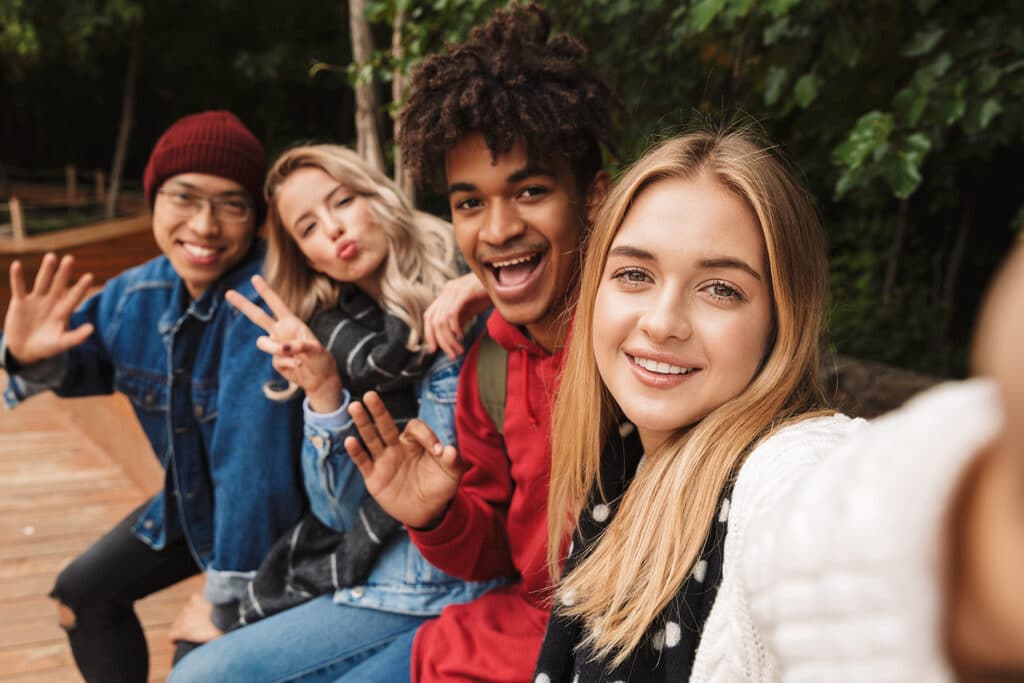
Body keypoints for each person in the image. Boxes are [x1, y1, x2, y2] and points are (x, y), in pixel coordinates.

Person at [534, 129, 1024, 682]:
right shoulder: (621, 468)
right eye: (634, 275)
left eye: (720, 288)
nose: (662, 322)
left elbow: (852, 521)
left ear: (780, 320)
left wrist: (984, 489)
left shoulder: (778, 472)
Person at [341, 3, 618, 682]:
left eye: (529, 190)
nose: (496, 228)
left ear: (595, 200)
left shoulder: (641, 347)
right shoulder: (487, 363)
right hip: (510, 625)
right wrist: (436, 513)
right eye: (470, 202)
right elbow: (497, 550)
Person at [167, 143, 501, 683]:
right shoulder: (334, 338)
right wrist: (323, 391)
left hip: (477, 579)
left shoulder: (476, 278)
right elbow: (341, 516)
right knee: (197, 675)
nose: (334, 230)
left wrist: (486, 283)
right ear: (307, 257)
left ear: (379, 198)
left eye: (342, 202)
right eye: (308, 228)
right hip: (386, 577)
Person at [0, 110, 305, 682]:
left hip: (278, 537)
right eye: (184, 198)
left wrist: (230, 603)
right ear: (154, 200)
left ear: (257, 219)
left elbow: (253, 478)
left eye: (231, 204)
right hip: (191, 505)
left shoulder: (265, 299)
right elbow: (78, 363)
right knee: (80, 596)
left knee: (201, 668)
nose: (206, 225)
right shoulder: (139, 291)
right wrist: (25, 356)